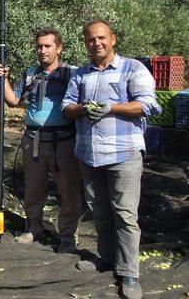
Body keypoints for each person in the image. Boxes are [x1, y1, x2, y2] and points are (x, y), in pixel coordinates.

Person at [61, 20, 160, 299]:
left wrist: (110, 108)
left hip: (123, 152)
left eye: (102, 38)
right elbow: (66, 106)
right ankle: (106, 258)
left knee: (125, 214)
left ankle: (129, 273)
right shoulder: (81, 74)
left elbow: (147, 105)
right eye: (91, 39)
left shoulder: (133, 68)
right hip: (89, 154)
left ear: (113, 39)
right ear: (85, 43)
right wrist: (81, 109)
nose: (97, 43)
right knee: (100, 210)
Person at [0, 28, 82, 253]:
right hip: (33, 140)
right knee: (33, 189)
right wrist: (3, 79)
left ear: (59, 48)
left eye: (48, 46)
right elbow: (13, 101)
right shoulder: (31, 73)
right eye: (39, 46)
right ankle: (34, 227)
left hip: (64, 140)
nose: (42, 50)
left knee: (68, 190)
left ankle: (68, 235)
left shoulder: (72, 73)